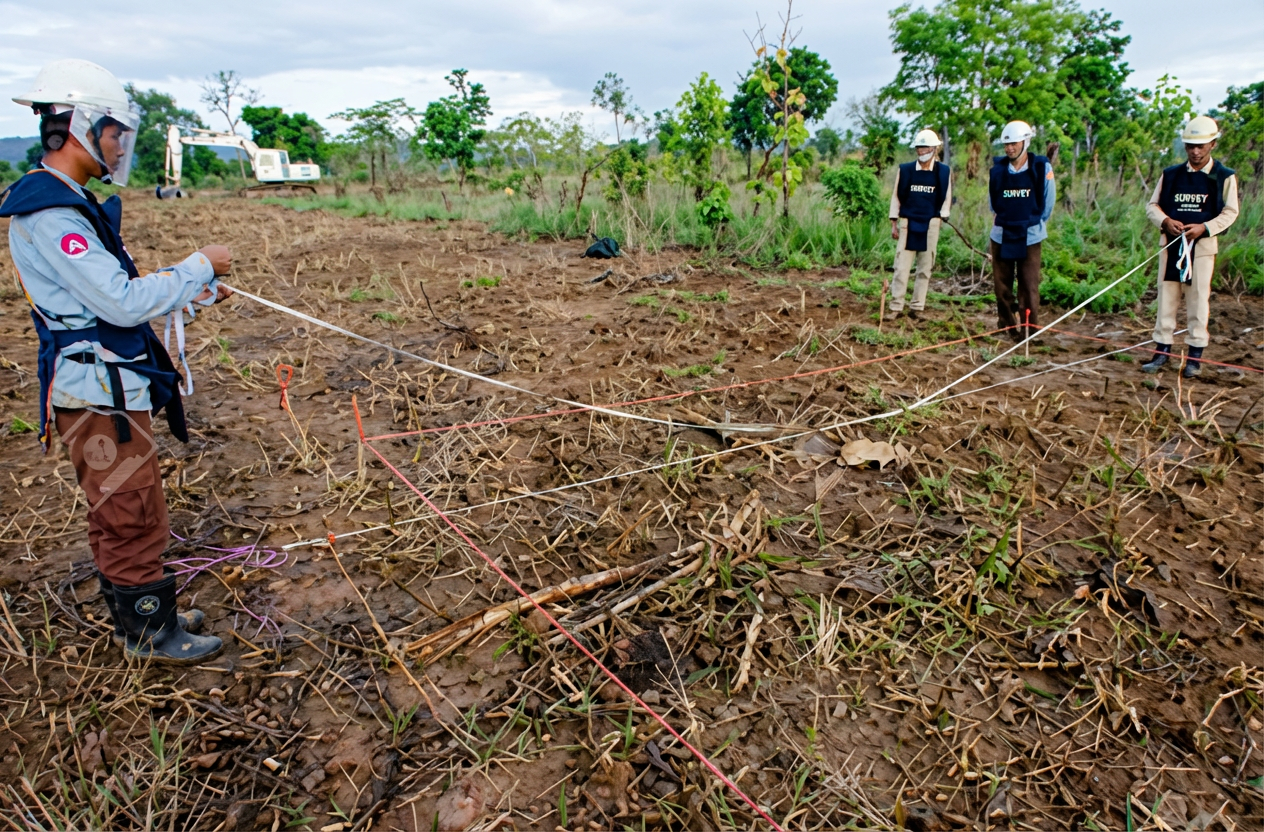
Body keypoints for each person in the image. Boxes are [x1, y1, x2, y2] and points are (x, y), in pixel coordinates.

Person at [0, 59, 232, 664]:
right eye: (114, 132)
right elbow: (122, 303)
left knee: (127, 504)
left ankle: (148, 613)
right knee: (129, 510)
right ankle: (150, 634)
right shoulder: (50, 213)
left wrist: (192, 291)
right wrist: (199, 265)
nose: (119, 145)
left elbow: (113, 295)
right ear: (80, 125)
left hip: (112, 386)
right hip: (96, 396)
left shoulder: (72, 203)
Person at [1141, 115, 1239, 378]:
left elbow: (1230, 212)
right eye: (1190, 146)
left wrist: (1204, 228)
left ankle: (1194, 357)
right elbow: (1152, 205)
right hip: (1172, 244)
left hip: (1202, 248)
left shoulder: (1224, 177)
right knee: (1166, 298)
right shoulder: (1170, 175)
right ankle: (1162, 351)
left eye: (1201, 146)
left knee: (1198, 301)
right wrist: (1165, 221)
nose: (1195, 152)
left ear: (1213, 144)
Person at [988, 121, 1055, 341]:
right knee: (1002, 286)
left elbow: (1048, 204)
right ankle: (1006, 327)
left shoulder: (1041, 167)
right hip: (1001, 235)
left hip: (1031, 235)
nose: (1009, 149)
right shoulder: (997, 171)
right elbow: (993, 204)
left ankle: (1029, 330)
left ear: (1025, 142)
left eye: (1014, 144)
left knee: (1029, 285)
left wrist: (1033, 221)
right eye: (1006, 144)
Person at [888, 128, 952, 318]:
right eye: (919, 148)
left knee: (925, 268)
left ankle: (917, 307)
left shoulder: (943, 172)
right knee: (901, 267)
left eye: (925, 148)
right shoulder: (906, 170)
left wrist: (942, 217)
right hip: (908, 223)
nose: (921, 152)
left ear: (934, 149)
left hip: (931, 223)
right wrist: (894, 222)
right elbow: (896, 196)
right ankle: (896, 307)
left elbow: (946, 197)